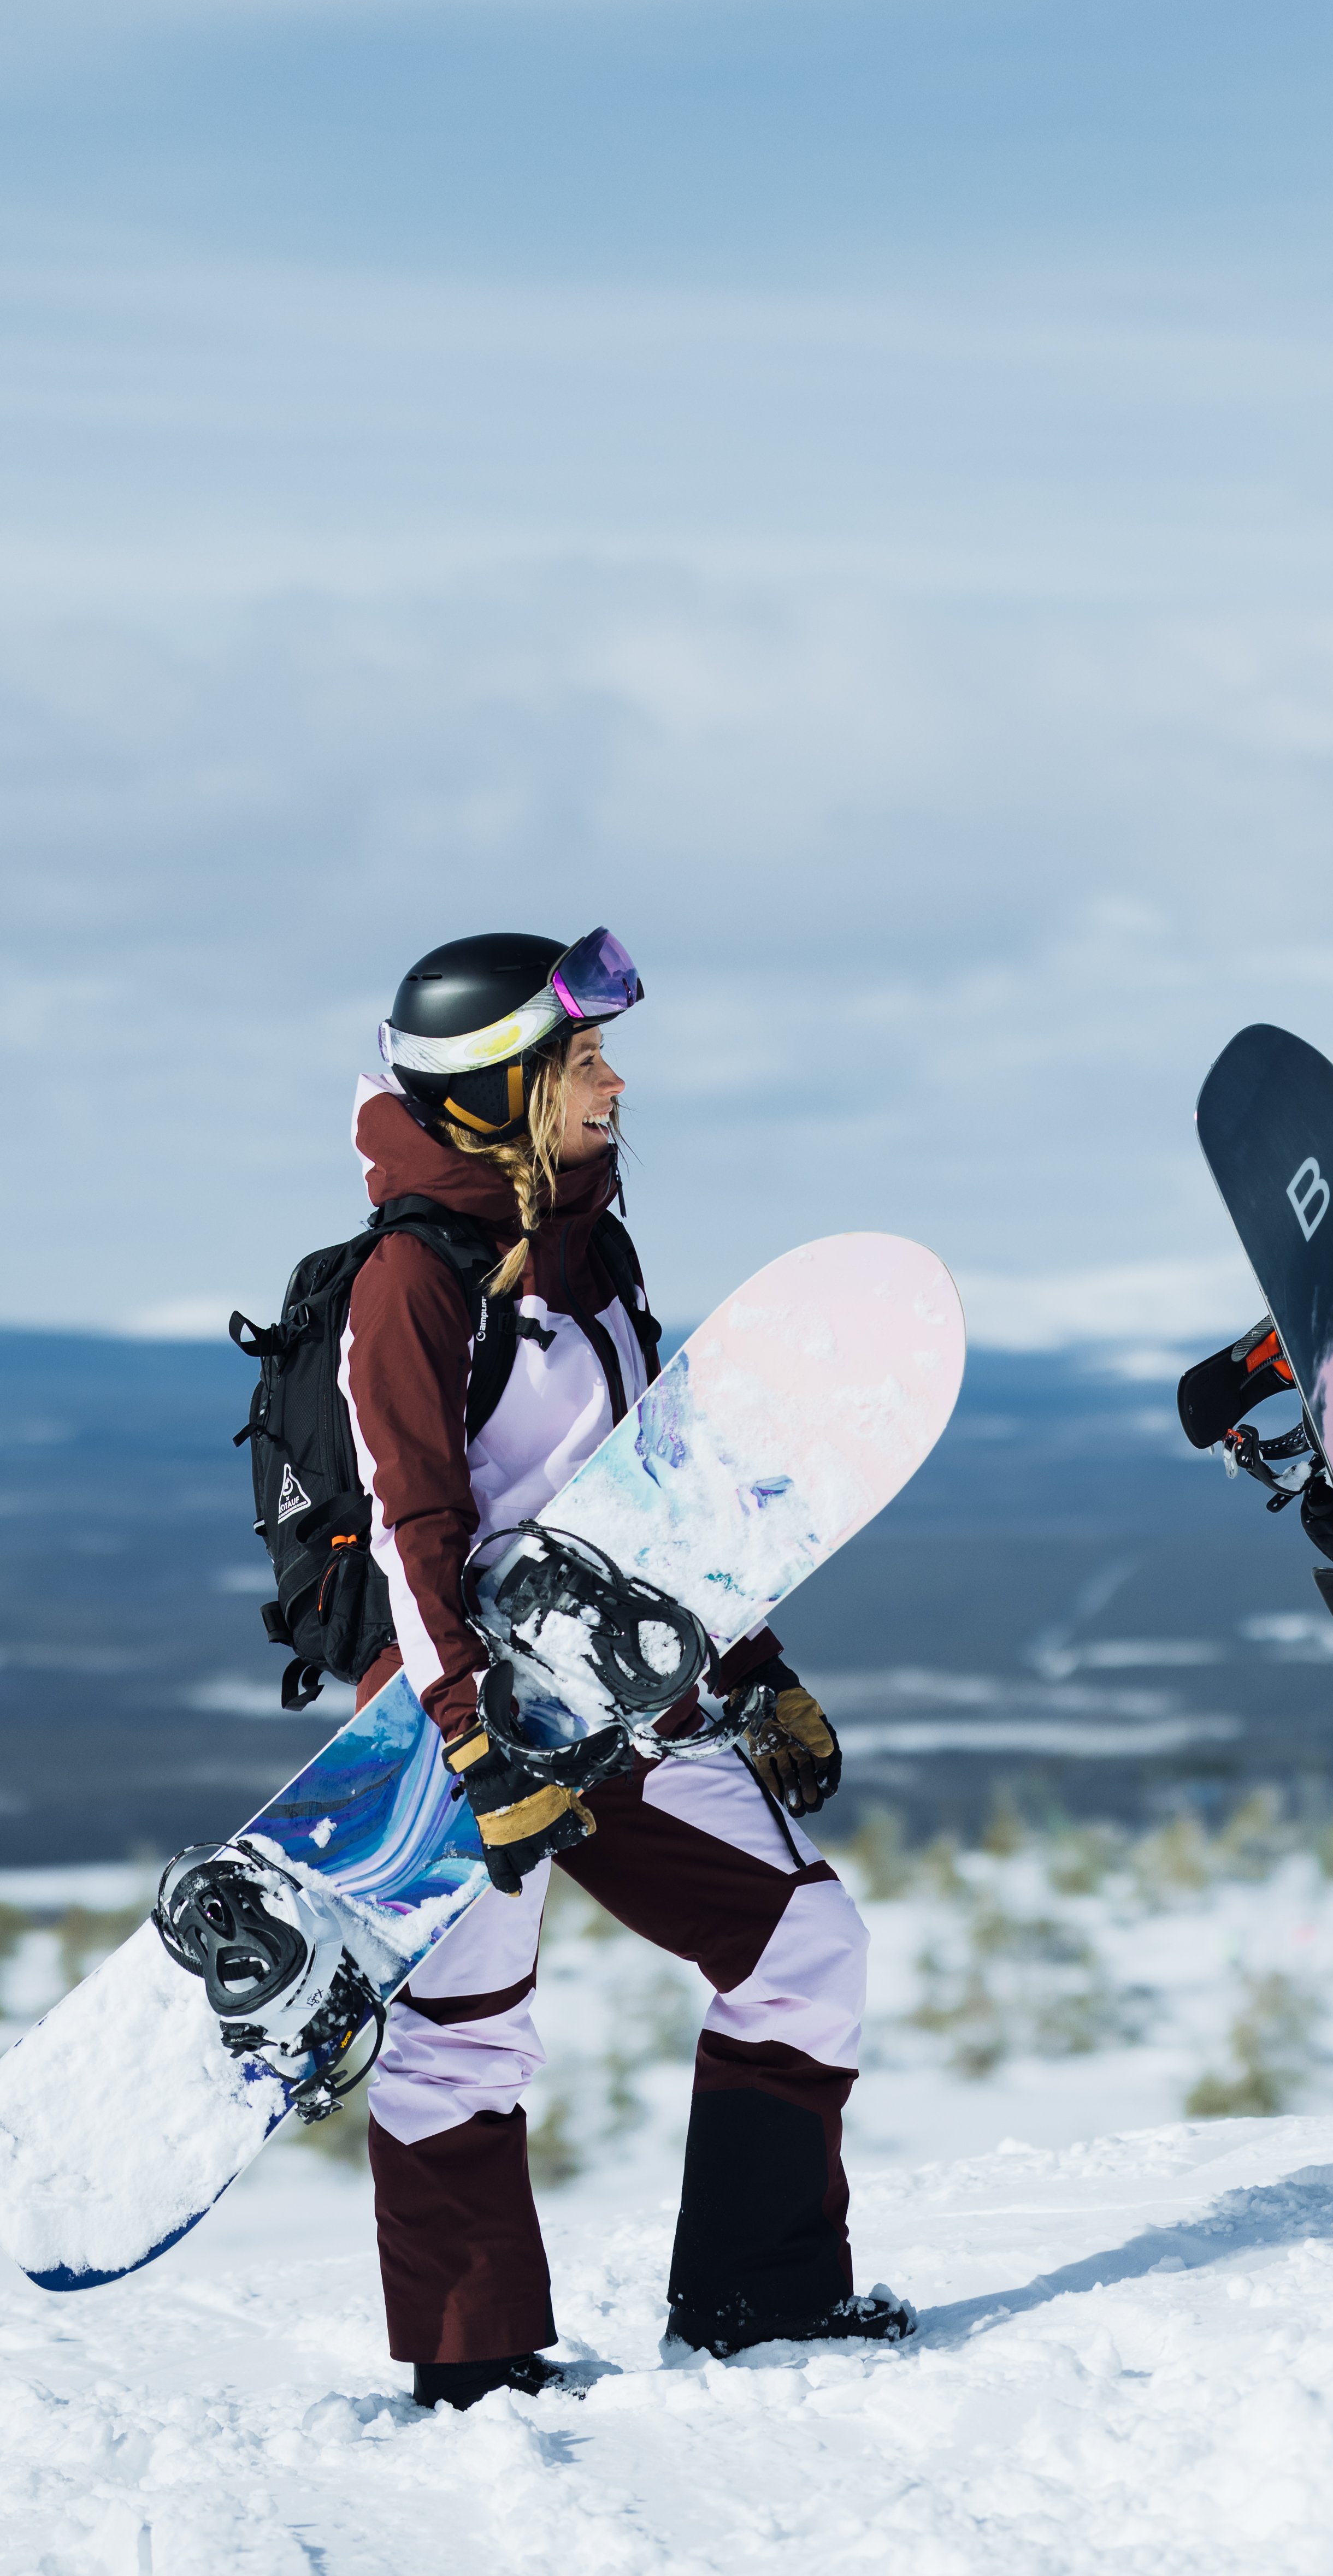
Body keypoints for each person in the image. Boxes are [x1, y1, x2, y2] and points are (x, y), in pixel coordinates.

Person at [339, 927, 901, 2404]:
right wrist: (470, 1738)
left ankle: (758, 2298)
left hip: (623, 1694)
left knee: (803, 1949)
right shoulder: (409, 1280)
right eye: (585, 1058)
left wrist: (755, 1664)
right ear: (502, 1081)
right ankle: (475, 2366)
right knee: (464, 2033)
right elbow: (410, 1524)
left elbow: (668, 1493)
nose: (615, 1079)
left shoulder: (592, 1248)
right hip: (457, 1716)